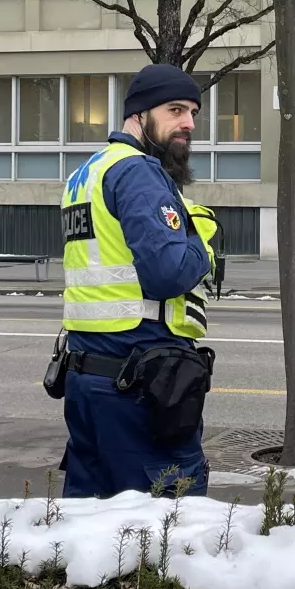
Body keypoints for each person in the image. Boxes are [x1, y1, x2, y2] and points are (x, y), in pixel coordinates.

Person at [56, 63, 221, 500]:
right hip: (140, 382)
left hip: (88, 374)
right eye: (174, 110)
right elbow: (167, 273)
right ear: (138, 114)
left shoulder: (86, 174)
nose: (187, 123)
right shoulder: (139, 172)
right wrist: (201, 239)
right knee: (165, 528)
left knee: (89, 527)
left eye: (192, 113)